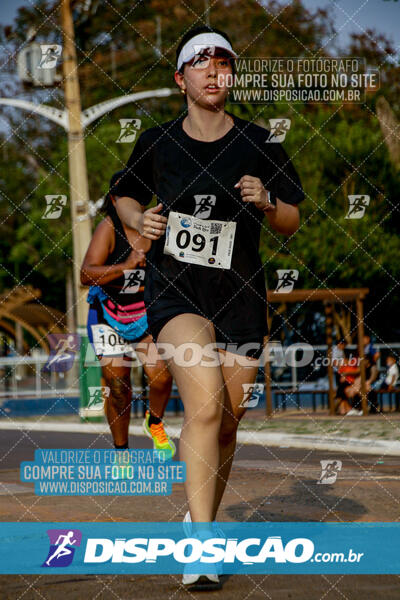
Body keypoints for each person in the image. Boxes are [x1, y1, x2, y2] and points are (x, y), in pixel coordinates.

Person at [113, 25, 304, 588]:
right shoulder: (156, 142)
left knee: (226, 424)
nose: (212, 68)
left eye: (223, 60)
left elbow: (292, 221)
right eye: (200, 60)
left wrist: (269, 203)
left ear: (231, 75)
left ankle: (201, 519)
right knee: (202, 409)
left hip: (242, 296)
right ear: (182, 78)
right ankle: (201, 548)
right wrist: (136, 220)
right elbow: (122, 192)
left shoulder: (260, 142)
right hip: (177, 293)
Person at [80, 171, 175, 456]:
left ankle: (154, 422)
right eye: (126, 197)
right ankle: (122, 451)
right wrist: (126, 266)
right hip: (108, 312)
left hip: (144, 312)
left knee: (161, 375)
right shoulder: (109, 228)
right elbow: (86, 274)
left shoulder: (158, 226)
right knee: (118, 385)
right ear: (114, 200)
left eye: (139, 195)